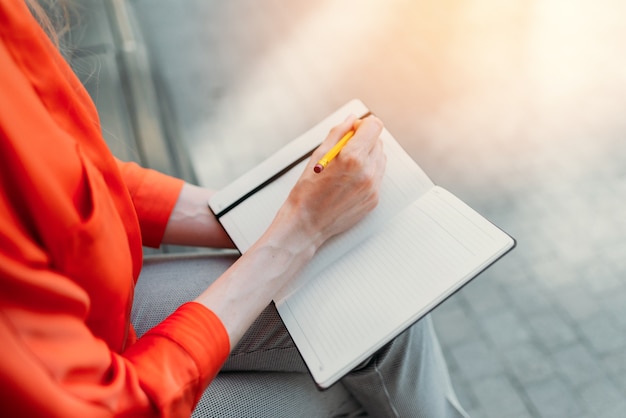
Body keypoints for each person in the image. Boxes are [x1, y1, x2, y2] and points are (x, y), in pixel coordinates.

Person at [0, 0, 468, 416]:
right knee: (347, 383)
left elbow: (69, 173)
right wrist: (297, 232)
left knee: (381, 303)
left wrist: (256, 214)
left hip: (101, 312)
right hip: (97, 388)